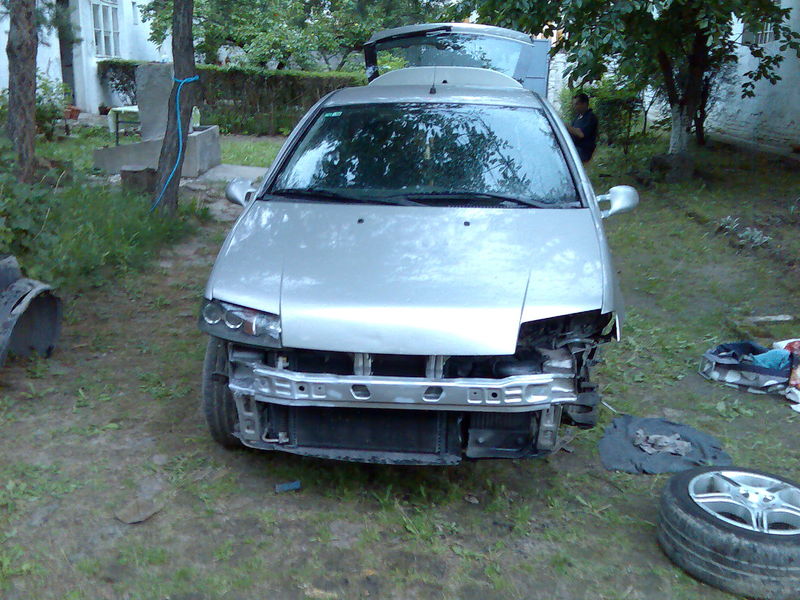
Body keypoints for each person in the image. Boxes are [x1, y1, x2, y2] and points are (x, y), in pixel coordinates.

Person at [566, 93, 598, 163]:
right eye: (574, 104)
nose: (574, 106)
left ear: (584, 104)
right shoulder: (577, 117)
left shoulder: (590, 117)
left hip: (583, 151)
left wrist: (566, 126)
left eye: (577, 104)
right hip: (574, 148)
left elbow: (581, 134)